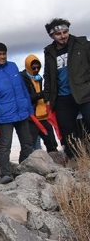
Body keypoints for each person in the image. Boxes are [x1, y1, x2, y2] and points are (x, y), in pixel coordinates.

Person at [0, 42, 34, 184]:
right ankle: (5, 173)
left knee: (27, 143)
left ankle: (23, 170)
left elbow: (23, 88)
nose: (2, 57)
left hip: (21, 111)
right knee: (5, 146)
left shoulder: (13, 66)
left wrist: (29, 108)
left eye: (4, 53)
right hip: (4, 115)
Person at [43, 18, 90, 159]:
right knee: (66, 129)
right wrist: (47, 98)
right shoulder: (49, 52)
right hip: (62, 96)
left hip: (84, 93)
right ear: (51, 36)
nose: (63, 36)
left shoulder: (82, 45)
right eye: (58, 34)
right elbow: (48, 76)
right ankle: (76, 160)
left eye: (65, 32)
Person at [21, 54, 58, 152]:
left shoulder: (38, 78)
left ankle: (55, 160)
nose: (36, 70)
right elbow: (27, 98)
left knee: (52, 143)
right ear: (28, 66)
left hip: (43, 116)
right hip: (31, 117)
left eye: (38, 67)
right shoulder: (22, 79)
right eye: (33, 68)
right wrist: (42, 94)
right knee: (29, 146)